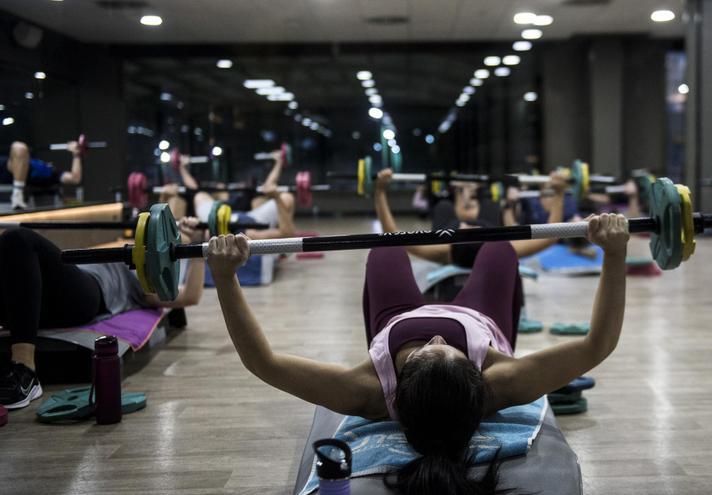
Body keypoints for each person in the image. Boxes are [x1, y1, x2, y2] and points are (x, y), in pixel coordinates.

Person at [206, 213, 628, 494]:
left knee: (386, 245)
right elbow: (599, 344)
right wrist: (614, 252)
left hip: (396, 316)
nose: (438, 342)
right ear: (479, 376)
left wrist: (225, 276)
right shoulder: (502, 384)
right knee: (498, 247)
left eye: (427, 352)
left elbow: (263, 362)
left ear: (397, 383)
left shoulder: (366, 391)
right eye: (450, 352)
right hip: (482, 315)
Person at [0, 218, 207, 410]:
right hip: (33, 296)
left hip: (87, 296)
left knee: (19, 238)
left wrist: (195, 247)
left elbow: (190, 296)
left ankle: (26, 370)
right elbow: (159, 218)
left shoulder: (149, 271)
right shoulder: (125, 239)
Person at [373, 168, 569, 267]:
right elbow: (551, 236)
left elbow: (393, 234)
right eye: (469, 227)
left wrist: (380, 192)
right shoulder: (500, 247)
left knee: (444, 206)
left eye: (465, 228)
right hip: (487, 236)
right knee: (491, 205)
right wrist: (559, 194)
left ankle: (462, 191)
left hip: (451, 234)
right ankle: (465, 191)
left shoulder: (443, 250)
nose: (467, 223)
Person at [164, 150, 297, 239]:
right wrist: (181, 167)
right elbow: (194, 189)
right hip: (216, 216)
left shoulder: (246, 193)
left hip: (247, 219)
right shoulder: (213, 199)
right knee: (199, 195)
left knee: (287, 197)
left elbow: (270, 187)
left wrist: (279, 162)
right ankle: (215, 235)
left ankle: (281, 249)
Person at [3, 140, 84, 210]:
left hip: (20, 173)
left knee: (19, 147)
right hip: (16, 167)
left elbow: (75, 178)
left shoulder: (51, 174)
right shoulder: (28, 162)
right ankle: (17, 195)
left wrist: (76, 155)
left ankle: (17, 195)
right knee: (19, 148)